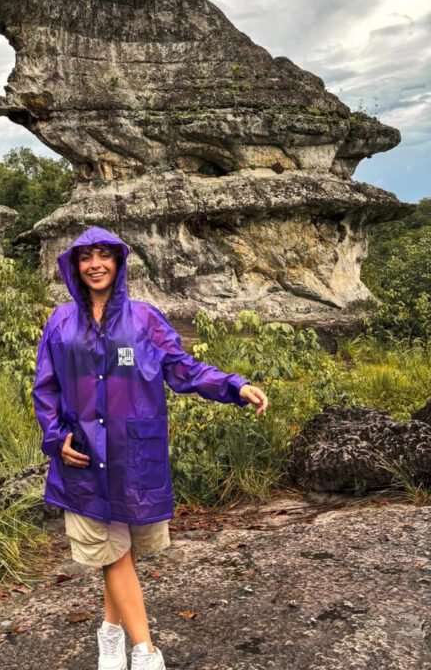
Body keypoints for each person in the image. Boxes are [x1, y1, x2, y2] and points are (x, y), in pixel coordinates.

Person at [32, 226, 269, 670]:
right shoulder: (60, 321)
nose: (95, 264)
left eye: (104, 255)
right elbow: (45, 387)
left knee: (121, 550)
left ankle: (109, 632)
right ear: (74, 266)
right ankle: (145, 651)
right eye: (86, 257)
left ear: (119, 262)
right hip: (82, 455)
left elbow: (183, 369)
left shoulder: (144, 319)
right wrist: (54, 436)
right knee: (113, 551)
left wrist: (236, 386)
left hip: (133, 456)